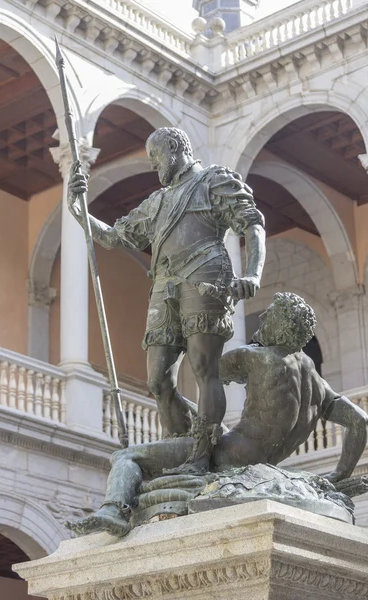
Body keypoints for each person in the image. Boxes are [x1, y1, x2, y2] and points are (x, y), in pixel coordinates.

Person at [66, 292, 368, 538]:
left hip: (226, 455)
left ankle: (113, 511)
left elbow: (206, 371)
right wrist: (337, 477)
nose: (263, 316)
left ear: (283, 324)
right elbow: (360, 422)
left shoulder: (255, 357)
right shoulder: (317, 383)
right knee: (189, 412)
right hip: (257, 459)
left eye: (270, 313)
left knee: (126, 458)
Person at [68, 127, 266, 474]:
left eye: (156, 158)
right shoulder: (157, 202)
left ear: (174, 147)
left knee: (205, 368)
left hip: (205, 277)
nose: (154, 167)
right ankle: (183, 441)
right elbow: (115, 237)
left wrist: (252, 274)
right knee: (158, 380)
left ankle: (201, 456)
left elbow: (252, 224)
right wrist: (79, 210)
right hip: (164, 287)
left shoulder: (212, 180)